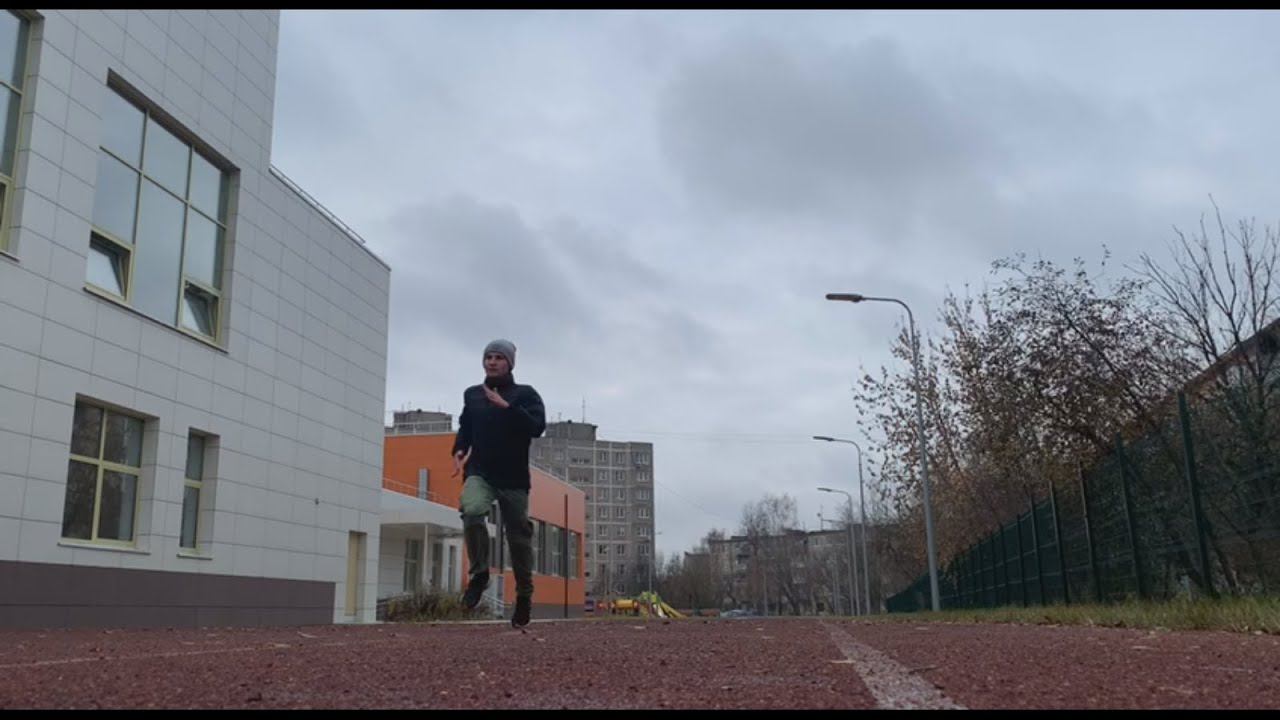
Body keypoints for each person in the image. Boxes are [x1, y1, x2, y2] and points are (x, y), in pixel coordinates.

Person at [452, 339, 547, 628]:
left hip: (513, 477)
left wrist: (507, 407)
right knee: (471, 511)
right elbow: (466, 426)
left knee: (518, 539)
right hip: (480, 471)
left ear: (509, 363)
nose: (492, 362)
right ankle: (480, 574)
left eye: (498, 357)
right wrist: (459, 449)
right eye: (488, 357)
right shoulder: (473, 395)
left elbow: (537, 427)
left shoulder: (525, 394)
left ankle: (524, 595)